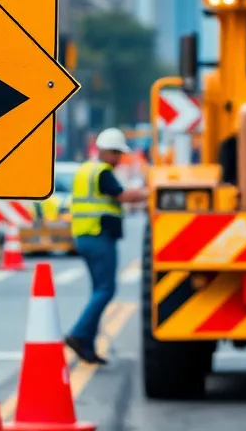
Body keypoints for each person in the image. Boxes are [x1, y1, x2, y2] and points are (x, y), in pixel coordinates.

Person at [64, 128, 149, 364]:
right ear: (108, 151)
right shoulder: (102, 172)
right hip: (99, 236)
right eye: (118, 153)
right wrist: (150, 193)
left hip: (84, 236)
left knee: (99, 290)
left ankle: (87, 346)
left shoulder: (85, 170)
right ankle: (78, 334)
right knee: (106, 290)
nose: (120, 158)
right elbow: (122, 196)